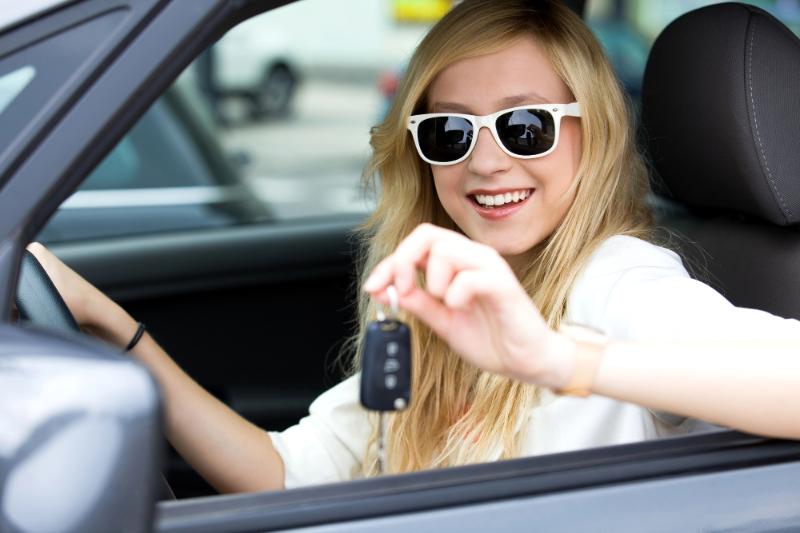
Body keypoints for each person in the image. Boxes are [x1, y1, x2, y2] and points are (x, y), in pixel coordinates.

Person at [25, 0, 800, 494]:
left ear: (589, 134)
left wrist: (560, 360)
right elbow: (290, 473)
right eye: (450, 130)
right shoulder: (450, 294)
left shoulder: (616, 280)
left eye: (524, 125)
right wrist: (107, 326)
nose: (487, 160)